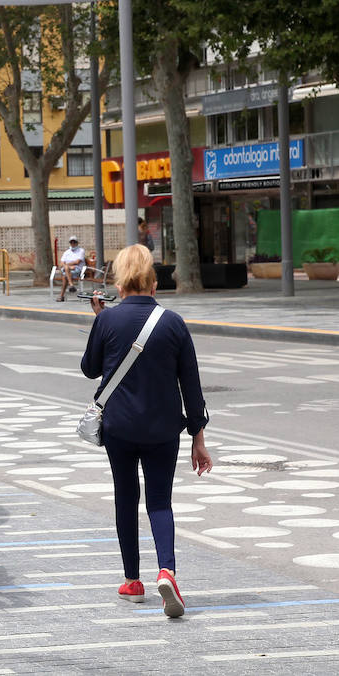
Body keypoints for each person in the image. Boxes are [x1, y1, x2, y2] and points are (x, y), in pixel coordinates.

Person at [82, 244, 211, 618]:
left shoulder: (107, 321)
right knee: (159, 501)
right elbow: (192, 387)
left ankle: (132, 582)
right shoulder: (172, 323)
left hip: (119, 427)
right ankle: (167, 570)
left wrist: (98, 320)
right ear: (154, 284)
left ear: (120, 285)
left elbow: (90, 368)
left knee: (126, 496)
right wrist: (198, 438)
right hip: (163, 428)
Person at [57, 235, 87, 301]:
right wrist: (69, 267)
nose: (73, 244)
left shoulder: (81, 251)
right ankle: (71, 285)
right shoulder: (67, 252)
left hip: (77, 270)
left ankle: (61, 296)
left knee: (65, 275)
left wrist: (67, 265)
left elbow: (77, 262)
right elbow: (61, 263)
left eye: (74, 242)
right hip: (68, 270)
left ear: (77, 243)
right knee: (66, 272)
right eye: (71, 242)